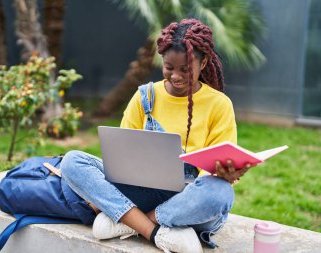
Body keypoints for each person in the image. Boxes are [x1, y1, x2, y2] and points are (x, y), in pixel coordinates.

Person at [60, 18, 252, 253]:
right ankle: (157, 232)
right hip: (142, 190)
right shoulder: (145, 96)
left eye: (185, 69)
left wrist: (225, 173)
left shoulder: (219, 104)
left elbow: (212, 171)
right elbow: (120, 156)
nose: (176, 76)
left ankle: (131, 222)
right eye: (169, 67)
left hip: (188, 199)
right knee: (72, 161)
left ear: (203, 64)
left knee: (220, 194)